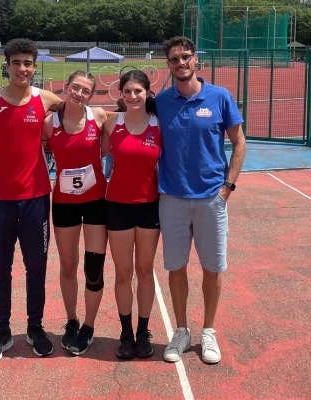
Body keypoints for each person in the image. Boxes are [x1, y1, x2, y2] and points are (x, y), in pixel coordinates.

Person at [0, 38, 64, 365]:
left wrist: (132, 109)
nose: (22, 68)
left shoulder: (45, 99)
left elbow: (82, 113)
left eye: (28, 63)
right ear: (6, 65)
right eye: (16, 62)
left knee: (36, 268)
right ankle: (2, 332)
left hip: (37, 198)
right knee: (1, 269)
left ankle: (35, 328)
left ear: (35, 67)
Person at [155, 36, 246, 364]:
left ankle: (208, 330)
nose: (181, 63)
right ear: (168, 64)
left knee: (212, 268)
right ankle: (181, 330)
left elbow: (239, 143)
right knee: (176, 268)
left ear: (197, 61)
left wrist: (228, 188)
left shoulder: (220, 97)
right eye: (174, 59)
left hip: (211, 199)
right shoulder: (161, 102)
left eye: (186, 57)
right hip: (173, 199)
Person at [42, 70, 108, 356]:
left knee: (93, 269)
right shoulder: (49, 123)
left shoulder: (100, 117)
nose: (79, 94)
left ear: (91, 96)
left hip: (96, 202)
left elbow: (134, 117)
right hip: (65, 203)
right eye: (75, 88)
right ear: (66, 88)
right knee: (68, 266)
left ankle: (89, 327)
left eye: (86, 91)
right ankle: (71, 321)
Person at [102, 70, 162, 359]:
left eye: (138, 91)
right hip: (117, 206)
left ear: (148, 93)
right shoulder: (112, 123)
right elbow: (88, 150)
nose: (133, 96)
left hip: (149, 205)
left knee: (145, 271)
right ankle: (125, 333)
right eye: (127, 91)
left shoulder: (159, 125)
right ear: (121, 94)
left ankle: (143, 331)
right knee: (124, 273)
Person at [103, 98, 126, 180]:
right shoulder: (116, 115)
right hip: (118, 143)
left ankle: (107, 176)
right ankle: (107, 176)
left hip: (114, 144)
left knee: (109, 158)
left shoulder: (114, 114)